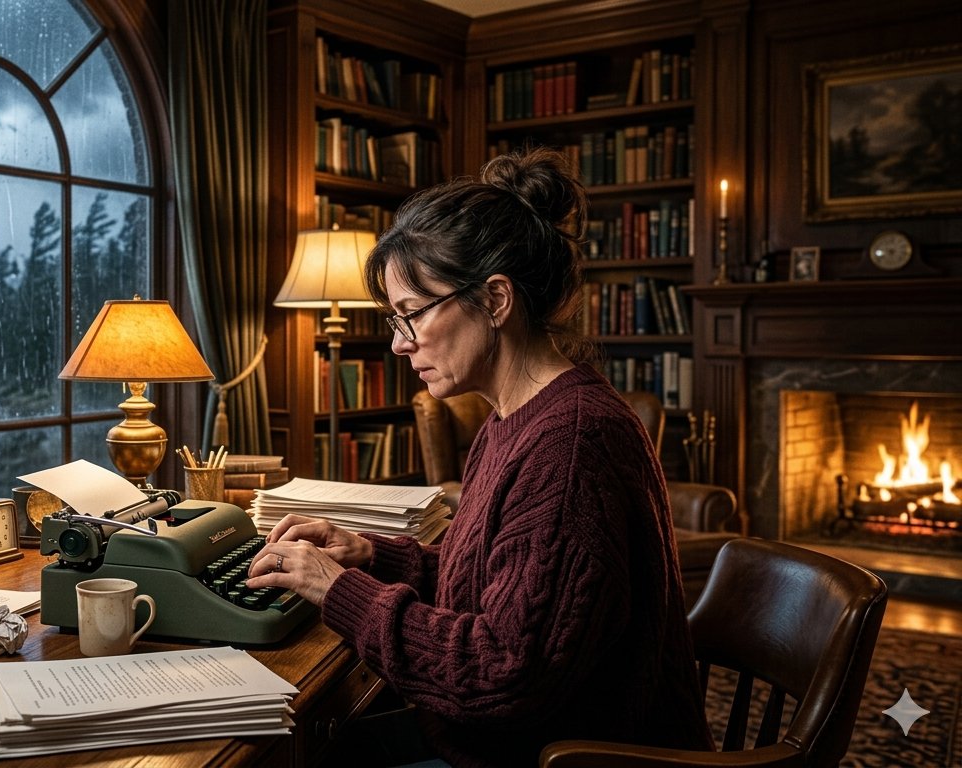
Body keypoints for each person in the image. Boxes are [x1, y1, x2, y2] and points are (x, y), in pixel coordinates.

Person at [247, 147, 713, 766]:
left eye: (410, 314)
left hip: (565, 755)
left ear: (495, 300)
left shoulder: (571, 444)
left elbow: (501, 671)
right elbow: (507, 593)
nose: (396, 342)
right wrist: (371, 554)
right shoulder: (515, 418)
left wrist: (341, 591)